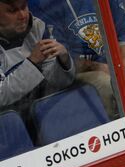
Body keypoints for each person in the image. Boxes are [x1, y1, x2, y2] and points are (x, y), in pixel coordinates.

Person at [29, 0, 125, 118]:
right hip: (79, 73)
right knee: (105, 83)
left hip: (115, 60)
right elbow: (61, 58)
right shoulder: (43, 5)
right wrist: (98, 67)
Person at [0, 0, 74, 130]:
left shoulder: (39, 26)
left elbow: (59, 83)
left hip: (46, 112)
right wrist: (32, 62)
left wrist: (64, 61)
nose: (23, 15)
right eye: (12, 11)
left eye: (24, 7)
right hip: (9, 127)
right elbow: (1, 96)